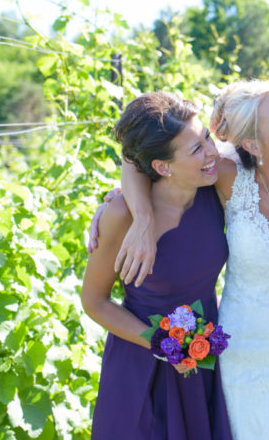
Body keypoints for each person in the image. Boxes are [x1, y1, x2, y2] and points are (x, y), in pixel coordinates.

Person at [104, 80, 269, 439]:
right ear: (253, 144)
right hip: (240, 352)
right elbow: (141, 157)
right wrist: (138, 214)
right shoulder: (226, 178)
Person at [81, 92, 232, 439]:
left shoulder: (215, 187)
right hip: (142, 365)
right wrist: (160, 343)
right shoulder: (121, 215)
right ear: (162, 167)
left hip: (206, 360)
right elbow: (94, 301)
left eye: (206, 138)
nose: (211, 152)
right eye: (196, 149)